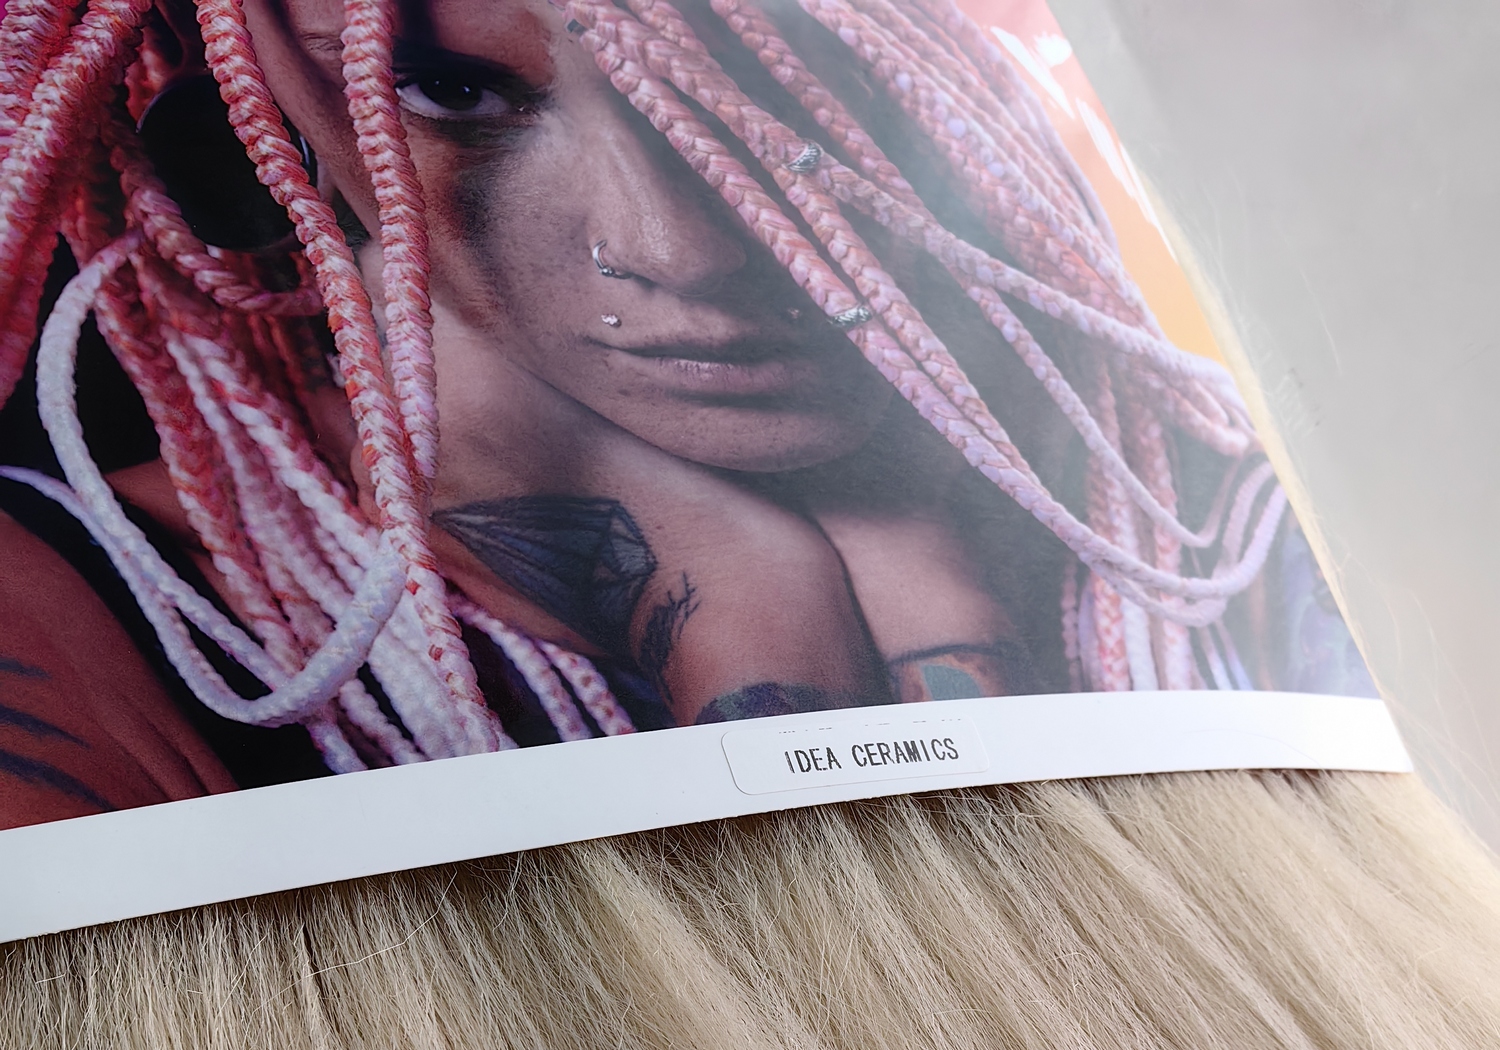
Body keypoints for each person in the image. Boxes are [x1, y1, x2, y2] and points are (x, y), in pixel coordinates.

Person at [0, 0, 1365, 830]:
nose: (681, 249)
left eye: (768, 68)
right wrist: (745, 607)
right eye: (453, 89)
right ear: (234, 110)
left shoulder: (1237, 533)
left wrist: (908, 577)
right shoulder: (73, 624)